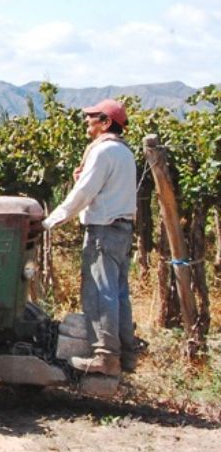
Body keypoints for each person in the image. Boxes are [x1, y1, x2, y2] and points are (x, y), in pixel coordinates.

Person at [41, 99, 139, 376]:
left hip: (103, 231)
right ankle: (126, 355)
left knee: (99, 291)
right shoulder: (125, 153)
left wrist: (50, 222)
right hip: (121, 229)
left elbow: (83, 195)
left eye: (92, 117)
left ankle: (105, 356)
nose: (87, 121)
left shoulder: (103, 152)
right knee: (119, 293)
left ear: (106, 123)